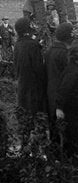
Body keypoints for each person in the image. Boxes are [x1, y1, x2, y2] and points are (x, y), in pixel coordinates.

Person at [12, 17, 47, 146]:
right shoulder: (33, 45)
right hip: (34, 87)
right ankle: (36, 148)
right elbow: (39, 69)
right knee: (36, 117)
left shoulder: (18, 44)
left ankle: (24, 145)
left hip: (22, 85)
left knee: (24, 117)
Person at [45, 22, 75, 141]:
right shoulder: (65, 54)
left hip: (51, 94)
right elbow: (70, 77)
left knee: (54, 130)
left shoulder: (50, 52)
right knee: (65, 131)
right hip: (63, 96)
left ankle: (54, 157)